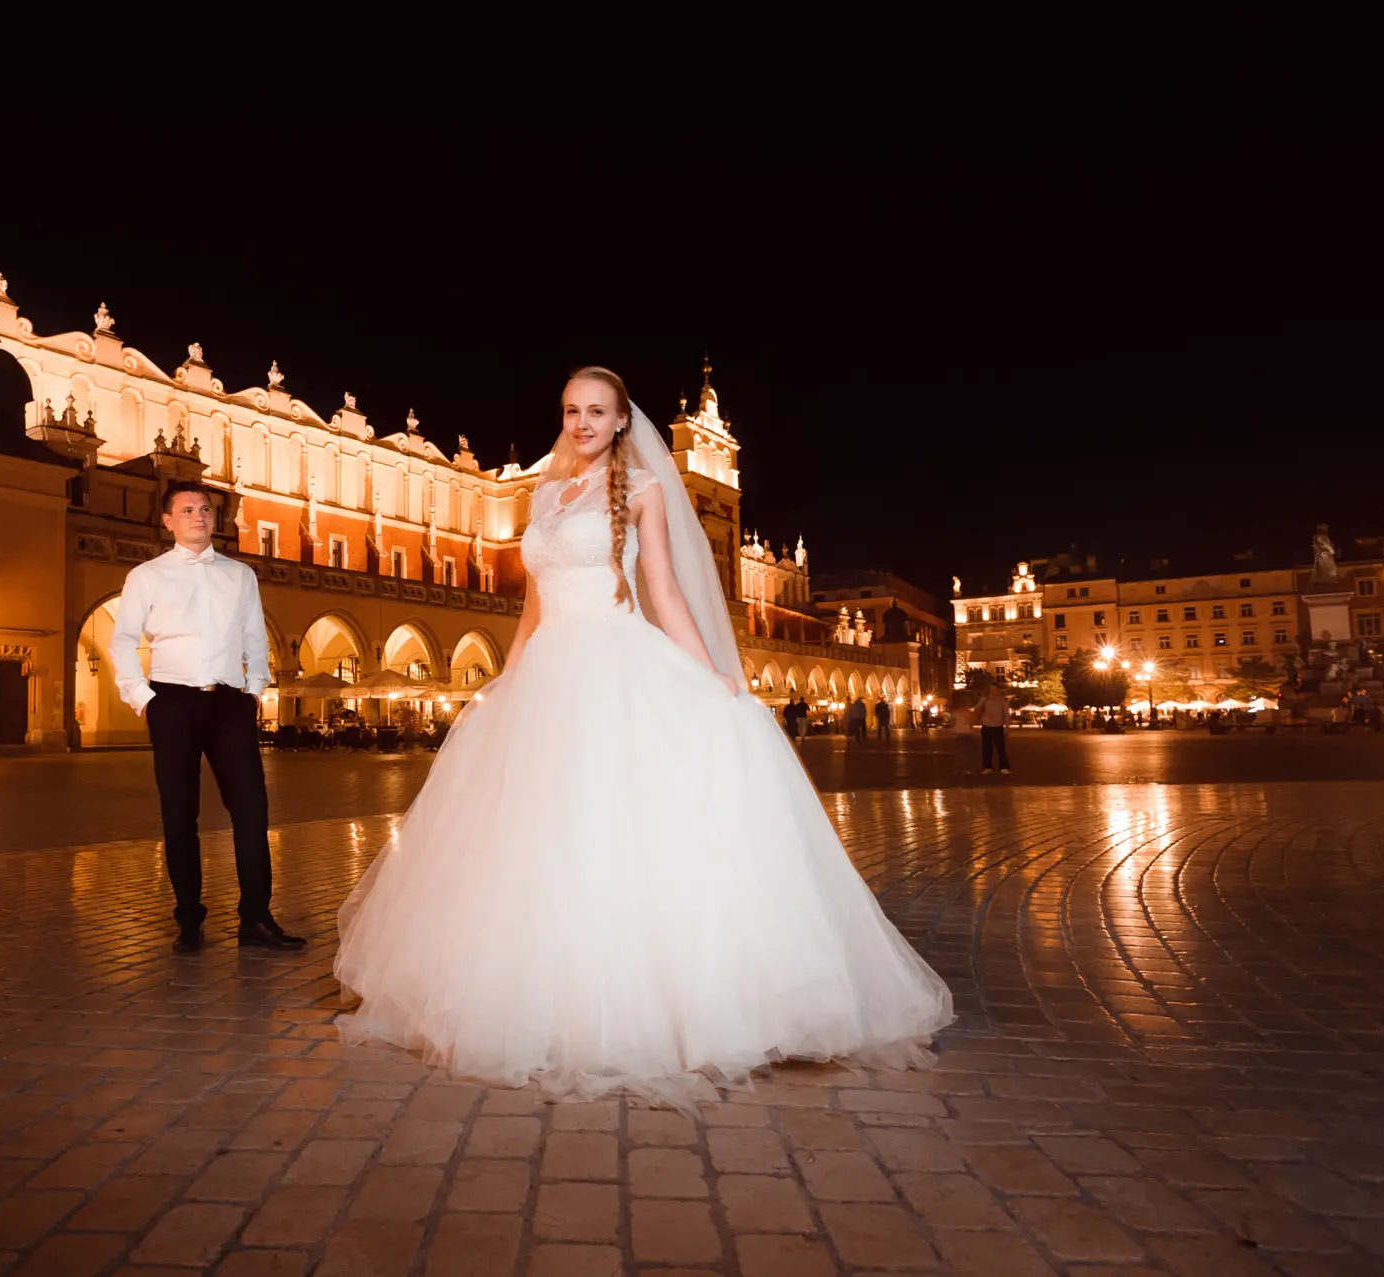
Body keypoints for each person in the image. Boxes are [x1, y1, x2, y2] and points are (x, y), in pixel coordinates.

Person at [334, 367, 953, 1109]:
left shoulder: (647, 491)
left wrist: (715, 677)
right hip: (548, 677)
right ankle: (542, 992)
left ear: (624, 420)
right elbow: (531, 609)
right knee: (540, 837)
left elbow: (664, 590)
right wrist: (506, 681)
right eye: (572, 410)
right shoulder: (542, 495)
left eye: (598, 411)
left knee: (618, 825)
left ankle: (649, 1005)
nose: (584, 422)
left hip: (615, 664)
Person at [108, 481, 305, 954]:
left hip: (229, 704)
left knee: (252, 812)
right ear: (168, 520)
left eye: (206, 509)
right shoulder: (146, 575)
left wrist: (253, 690)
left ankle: (255, 919)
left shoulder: (240, 575)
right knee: (180, 816)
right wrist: (144, 699)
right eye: (188, 509)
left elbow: (255, 637)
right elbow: (122, 640)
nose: (199, 516)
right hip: (171, 702)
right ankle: (189, 920)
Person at [976, 681, 1012, 774]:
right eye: (991, 689)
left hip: (998, 726)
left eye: (995, 689)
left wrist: (1007, 727)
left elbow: (1006, 714)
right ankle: (987, 767)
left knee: (1001, 748)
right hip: (987, 726)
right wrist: (982, 701)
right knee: (986, 748)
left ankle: (1004, 767)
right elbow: (977, 709)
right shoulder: (985, 699)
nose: (993, 691)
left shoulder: (1002, 700)